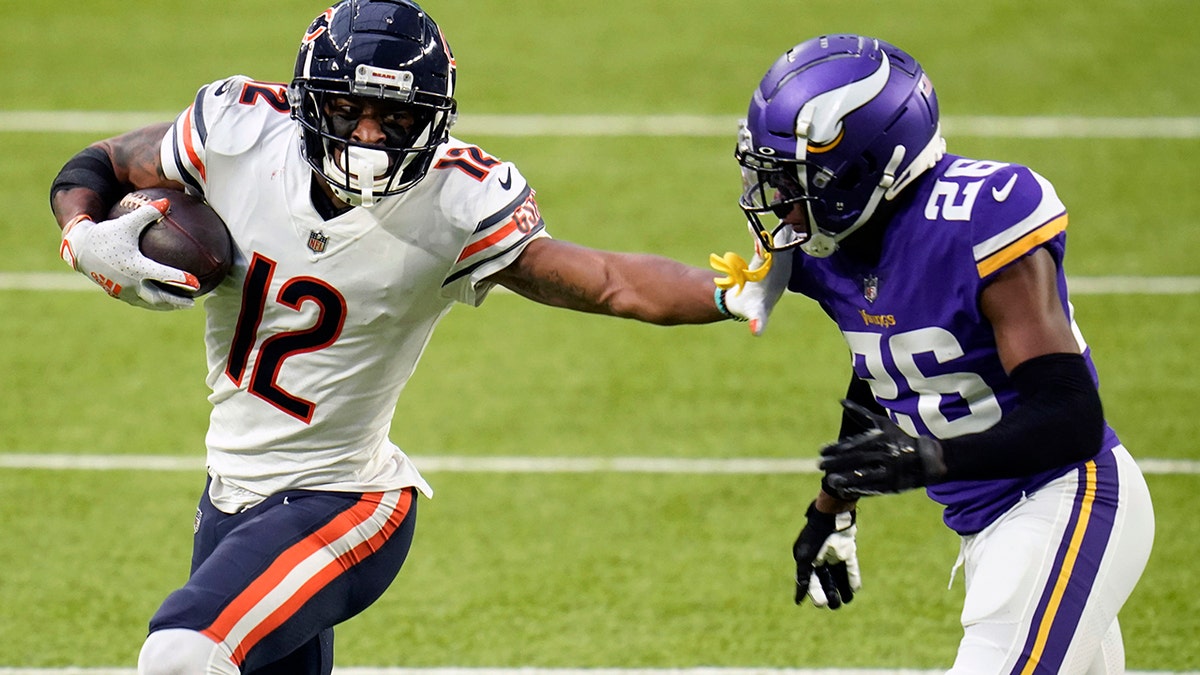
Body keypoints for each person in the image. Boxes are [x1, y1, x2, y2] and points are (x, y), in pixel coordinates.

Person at [48, 2, 789, 673]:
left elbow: (602, 278)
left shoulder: (457, 199)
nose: (369, 134)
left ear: (433, 120)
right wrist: (83, 234)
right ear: (310, 102)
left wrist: (726, 293)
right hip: (231, 496)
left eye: (395, 117)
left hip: (343, 500)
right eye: (349, 107)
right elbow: (101, 164)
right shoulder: (238, 130)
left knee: (180, 653)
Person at [729, 34, 1155, 673]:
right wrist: (833, 506)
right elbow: (884, 365)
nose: (785, 205)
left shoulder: (979, 216)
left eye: (799, 182)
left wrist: (931, 457)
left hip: (1066, 500)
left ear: (863, 167)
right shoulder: (838, 248)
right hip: (991, 525)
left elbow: (1071, 415)